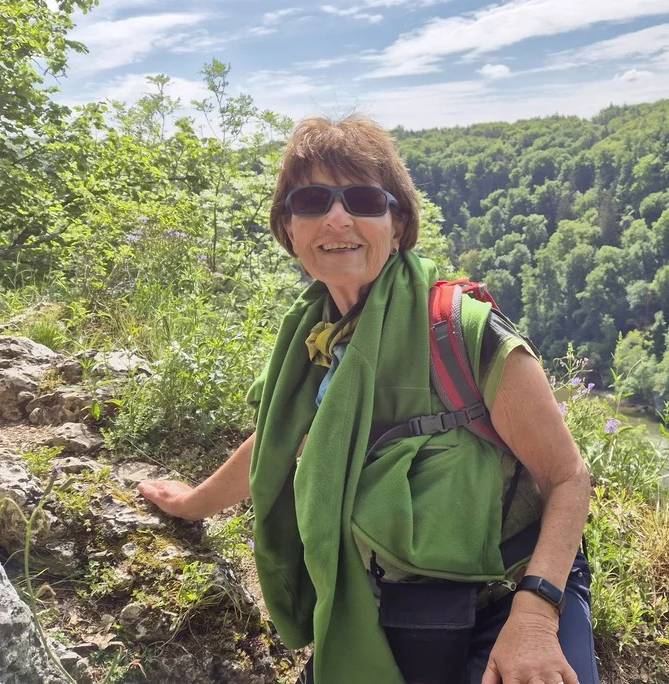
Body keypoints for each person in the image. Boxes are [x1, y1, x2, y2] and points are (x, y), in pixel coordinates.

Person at [137, 115, 598, 684]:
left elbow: (569, 477)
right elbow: (286, 440)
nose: (337, 217)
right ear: (289, 228)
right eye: (311, 200)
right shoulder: (319, 337)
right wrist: (192, 503)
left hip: (510, 587)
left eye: (362, 198)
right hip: (385, 596)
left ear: (398, 225)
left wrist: (534, 614)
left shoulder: (463, 331)